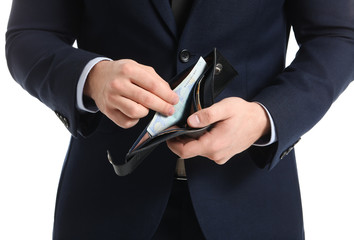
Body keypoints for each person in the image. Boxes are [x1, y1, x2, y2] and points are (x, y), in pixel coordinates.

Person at [5, 0, 353, 239]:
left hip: (251, 203)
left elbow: (339, 36)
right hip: (105, 203)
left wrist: (266, 117)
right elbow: (30, 34)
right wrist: (93, 77)